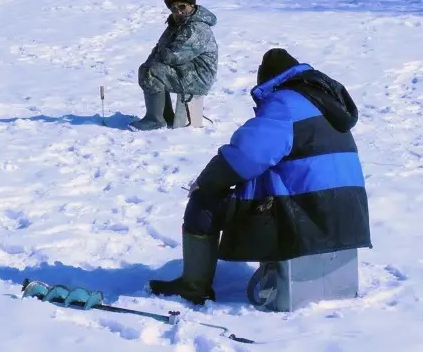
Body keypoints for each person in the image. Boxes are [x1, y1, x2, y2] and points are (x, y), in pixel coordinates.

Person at [148, 48, 372, 305]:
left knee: (204, 201)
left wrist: (206, 180)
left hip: (307, 214)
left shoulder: (285, 102)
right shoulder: (325, 104)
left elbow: (247, 155)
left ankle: (193, 286)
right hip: (348, 216)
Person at [129, 0, 218, 131]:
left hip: (198, 76)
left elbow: (174, 56)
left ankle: (155, 120)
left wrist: (158, 57)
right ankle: (164, 116)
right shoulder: (176, 24)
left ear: (192, 6)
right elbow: (160, 48)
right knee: (148, 68)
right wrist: (152, 60)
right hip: (185, 70)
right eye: (173, 8)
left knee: (152, 72)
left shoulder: (196, 28)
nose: (178, 11)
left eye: (182, 6)